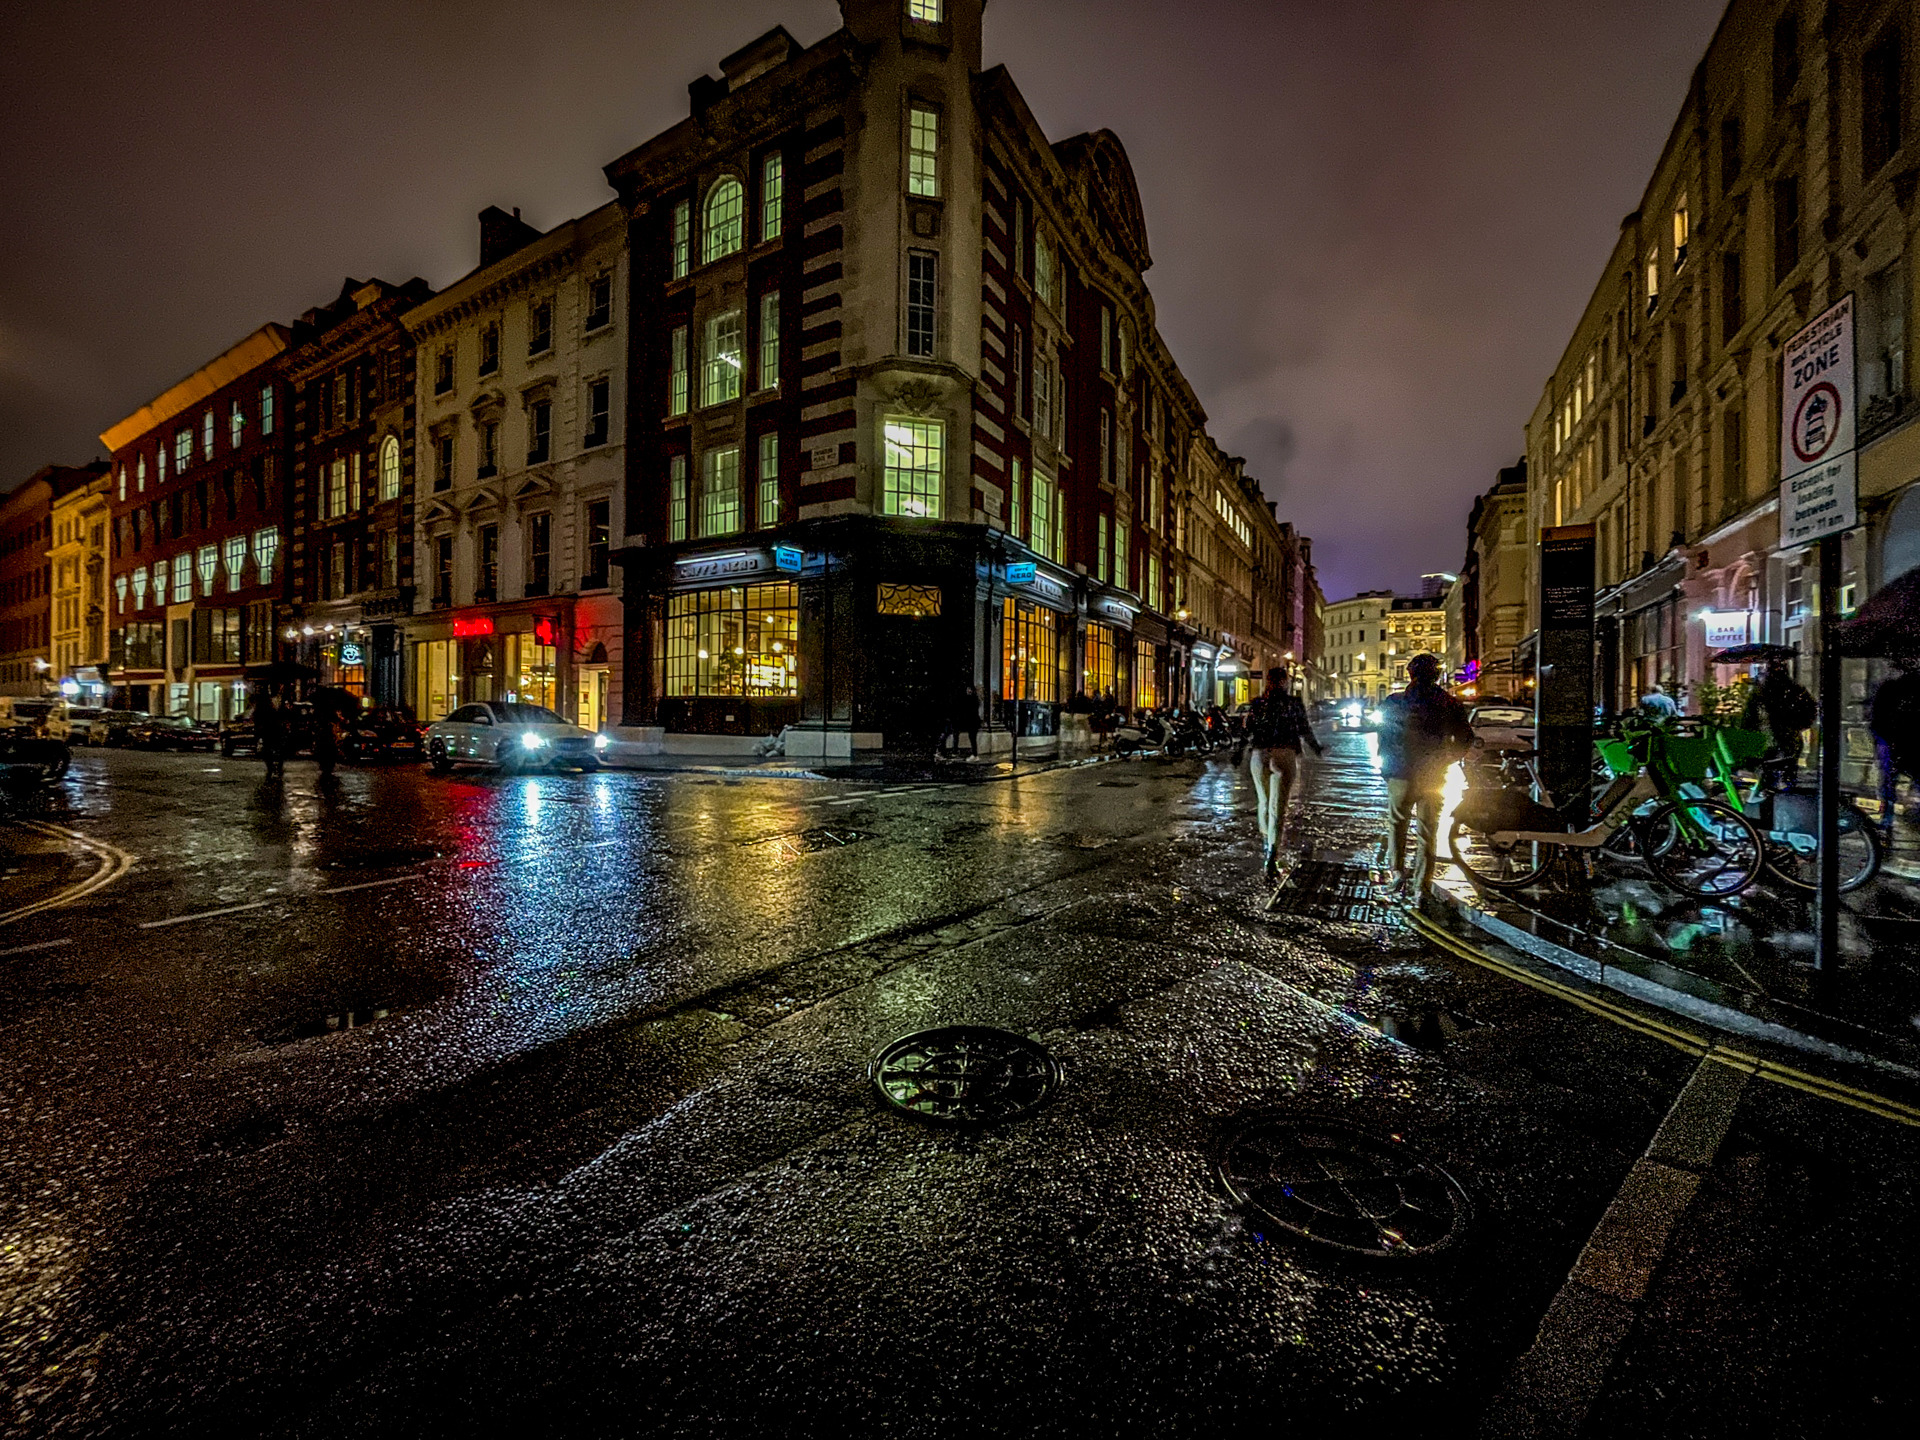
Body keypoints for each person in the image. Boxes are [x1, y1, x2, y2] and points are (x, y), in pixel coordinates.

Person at [1376, 652, 1473, 903]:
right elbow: (1465, 738)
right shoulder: (1449, 703)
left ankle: (1396, 873)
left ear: (1410, 673)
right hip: (1433, 773)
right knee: (1428, 831)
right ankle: (1421, 887)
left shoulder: (1394, 702)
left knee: (1397, 824)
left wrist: (1386, 768)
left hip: (1401, 772)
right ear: (1437, 675)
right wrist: (1448, 758)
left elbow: (1384, 737)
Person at [1245, 667, 1323, 878]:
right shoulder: (1293, 703)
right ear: (1285, 682)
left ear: (1267, 682)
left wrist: (1238, 752)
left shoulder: (1258, 703)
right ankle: (1272, 853)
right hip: (1284, 754)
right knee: (1278, 807)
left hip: (1260, 754)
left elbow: (1248, 730)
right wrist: (1316, 748)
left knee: (1263, 802)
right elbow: (1304, 728)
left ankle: (1265, 841)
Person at [1742, 656, 1817, 788]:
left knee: (1770, 776)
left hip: (1771, 738)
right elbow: (1810, 710)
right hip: (1783, 738)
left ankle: (1773, 798)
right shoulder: (1793, 689)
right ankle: (1781, 795)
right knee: (1784, 773)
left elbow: (1749, 718)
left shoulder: (1761, 691)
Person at [1869, 660, 1920, 837]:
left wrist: (1880, 738)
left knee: (1888, 781)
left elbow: (1876, 718)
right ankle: (1893, 816)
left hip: (1893, 742)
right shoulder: (1900, 688)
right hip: (1907, 742)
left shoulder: (1889, 688)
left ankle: (1887, 819)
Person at [251, 685, 286, 780]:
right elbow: (258, 715)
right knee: (267, 750)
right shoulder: (263, 701)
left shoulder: (282, 699)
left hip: (278, 729)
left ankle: (278, 768)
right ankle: (271, 769)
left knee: (280, 749)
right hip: (267, 729)